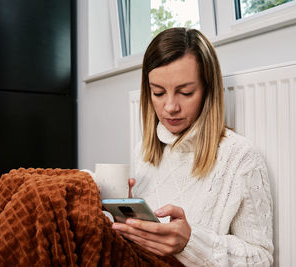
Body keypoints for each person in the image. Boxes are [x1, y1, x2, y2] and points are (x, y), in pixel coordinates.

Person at [111, 27, 274, 266]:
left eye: (185, 92)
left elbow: (261, 258)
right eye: (158, 92)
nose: (170, 107)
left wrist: (191, 243)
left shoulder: (240, 157)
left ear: (208, 90)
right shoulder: (143, 152)